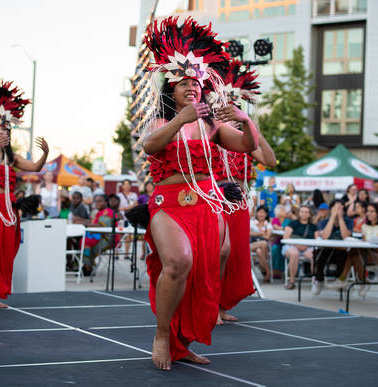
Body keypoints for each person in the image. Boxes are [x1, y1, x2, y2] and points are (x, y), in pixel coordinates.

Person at [142, 16, 258, 371]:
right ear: (172, 89)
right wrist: (182, 119)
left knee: (200, 277)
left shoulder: (213, 126)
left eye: (197, 83)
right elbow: (149, 146)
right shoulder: (162, 121)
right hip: (169, 206)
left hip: (207, 207)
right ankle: (162, 336)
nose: (191, 87)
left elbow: (249, 146)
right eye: (184, 83)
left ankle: (183, 343)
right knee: (178, 262)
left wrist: (245, 118)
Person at [0, 78, 49, 312]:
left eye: (4, 128)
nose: (1, 131)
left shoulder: (11, 157)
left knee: (4, 253)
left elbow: (34, 168)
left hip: (7, 210)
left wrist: (45, 154)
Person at [210, 58, 277, 323]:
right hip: (215, 200)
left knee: (232, 257)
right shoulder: (213, 132)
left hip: (238, 204)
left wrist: (252, 127)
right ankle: (210, 306)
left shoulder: (244, 136)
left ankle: (220, 305)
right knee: (218, 253)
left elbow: (270, 161)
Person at [332, 203, 378, 296]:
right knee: (355, 255)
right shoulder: (365, 226)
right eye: (368, 211)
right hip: (365, 255)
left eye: (372, 211)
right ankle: (363, 282)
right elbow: (365, 242)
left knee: (354, 252)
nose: (369, 213)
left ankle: (342, 279)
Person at [312, 199, 354, 296]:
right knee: (317, 253)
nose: (337, 211)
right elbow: (325, 236)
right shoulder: (323, 222)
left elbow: (345, 236)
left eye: (340, 209)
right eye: (335, 209)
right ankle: (319, 280)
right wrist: (332, 217)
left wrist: (340, 218)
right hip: (326, 250)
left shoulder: (348, 221)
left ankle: (339, 279)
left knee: (344, 255)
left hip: (341, 251)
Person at [81, 194, 119, 276]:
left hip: (108, 239)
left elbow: (101, 226)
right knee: (82, 240)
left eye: (100, 201)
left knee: (85, 242)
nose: (97, 203)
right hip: (100, 236)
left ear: (106, 203)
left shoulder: (106, 212)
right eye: (96, 201)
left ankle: (88, 267)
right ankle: (86, 265)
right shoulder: (100, 212)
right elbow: (93, 222)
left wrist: (83, 224)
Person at [283, 205, 319, 290]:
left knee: (315, 255)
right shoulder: (292, 223)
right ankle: (292, 281)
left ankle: (315, 282)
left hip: (308, 248)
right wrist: (298, 246)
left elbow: (317, 240)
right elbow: (286, 237)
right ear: (299, 213)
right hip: (292, 246)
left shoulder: (313, 226)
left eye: (306, 212)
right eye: (302, 212)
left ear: (310, 214)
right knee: (294, 254)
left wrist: (307, 246)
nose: (304, 214)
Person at [250, 206, 272, 283]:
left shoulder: (268, 224)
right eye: (259, 212)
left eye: (262, 212)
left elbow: (268, 236)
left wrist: (255, 234)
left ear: (266, 214)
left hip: (261, 248)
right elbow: (249, 234)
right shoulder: (252, 222)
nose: (260, 214)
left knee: (259, 251)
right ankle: (267, 271)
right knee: (264, 243)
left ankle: (261, 267)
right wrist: (261, 233)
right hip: (251, 245)